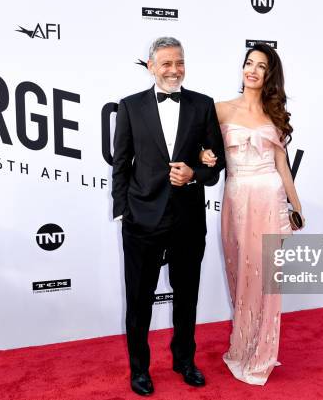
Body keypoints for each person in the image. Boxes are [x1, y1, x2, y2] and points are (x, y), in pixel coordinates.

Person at [111, 36, 225, 396]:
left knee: (187, 295)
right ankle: (139, 369)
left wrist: (194, 173)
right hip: (142, 219)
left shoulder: (203, 105)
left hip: (188, 219)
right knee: (139, 300)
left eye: (179, 63)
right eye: (166, 64)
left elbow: (215, 164)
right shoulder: (130, 107)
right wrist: (122, 212)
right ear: (151, 66)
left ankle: (184, 360)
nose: (174, 70)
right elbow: (121, 164)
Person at [200, 43, 304, 385]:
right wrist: (204, 157)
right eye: (249, 63)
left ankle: (261, 355)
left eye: (261, 66)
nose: (252, 70)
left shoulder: (273, 116)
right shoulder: (220, 109)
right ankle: (242, 347)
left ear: (269, 75)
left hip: (270, 198)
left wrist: (296, 206)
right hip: (236, 196)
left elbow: (283, 167)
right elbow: (203, 148)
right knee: (240, 275)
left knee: (266, 282)